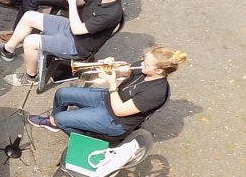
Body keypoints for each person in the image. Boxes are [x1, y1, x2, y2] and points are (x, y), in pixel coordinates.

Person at [0, 0, 129, 88]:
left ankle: (31, 77)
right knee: (29, 16)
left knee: (31, 41)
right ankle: (7, 50)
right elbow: (81, 2)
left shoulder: (111, 14)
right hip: (71, 27)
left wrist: (71, 1)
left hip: (78, 44)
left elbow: (78, 30)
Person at [28, 47, 186, 136]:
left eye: (147, 64)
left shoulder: (156, 93)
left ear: (158, 71)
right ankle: (54, 123)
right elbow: (124, 72)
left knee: (62, 119)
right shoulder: (145, 68)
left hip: (115, 120)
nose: (142, 64)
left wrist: (111, 84)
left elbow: (120, 111)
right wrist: (109, 66)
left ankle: (84, 139)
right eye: (144, 59)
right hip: (109, 98)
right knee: (62, 94)